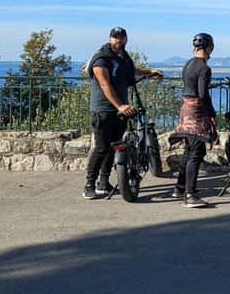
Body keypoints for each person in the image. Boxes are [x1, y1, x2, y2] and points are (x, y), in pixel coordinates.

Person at [83, 27, 164, 199]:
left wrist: (150, 71)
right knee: (101, 148)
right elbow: (105, 85)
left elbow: (132, 70)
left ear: (126, 39)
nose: (118, 40)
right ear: (109, 38)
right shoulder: (101, 59)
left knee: (114, 146)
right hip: (103, 109)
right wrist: (120, 105)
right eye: (115, 37)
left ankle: (104, 183)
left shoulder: (123, 57)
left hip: (120, 110)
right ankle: (89, 184)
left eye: (121, 37)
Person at [169, 33, 217, 208]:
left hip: (185, 109)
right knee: (196, 153)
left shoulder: (188, 64)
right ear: (210, 47)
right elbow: (203, 94)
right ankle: (190, 195)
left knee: (189, 151)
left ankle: (180, 187)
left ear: (194, 47)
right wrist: (212, 114)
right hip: (196, 111)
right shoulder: (204, 68)